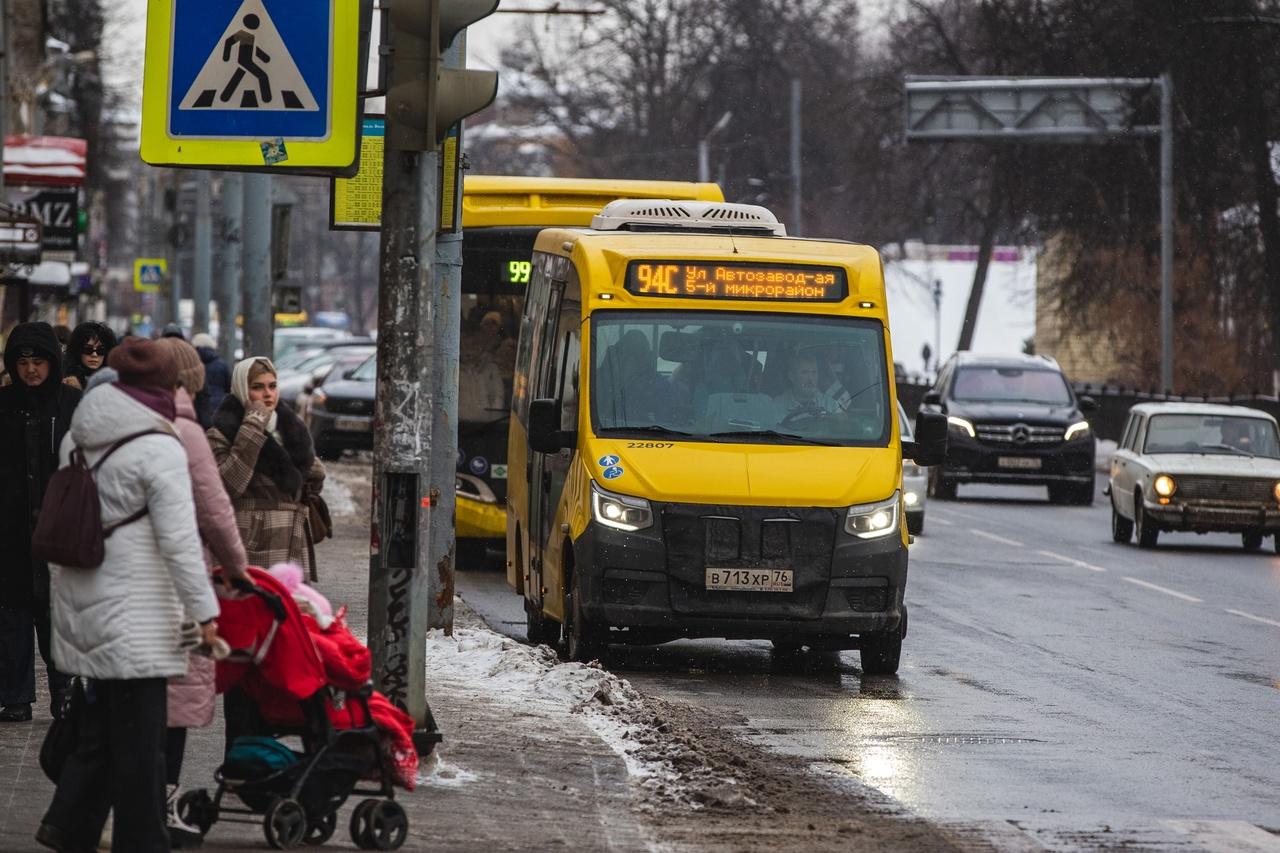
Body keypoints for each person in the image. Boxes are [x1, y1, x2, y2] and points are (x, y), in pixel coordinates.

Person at [37, 338, 219, 853]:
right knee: (142, 744)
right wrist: (205, 612)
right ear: (164, 385)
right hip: (138, 613)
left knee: (101, 725)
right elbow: (181, 542)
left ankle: (68, 823)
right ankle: (143, 841)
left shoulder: (78, 435)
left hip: (83, 600)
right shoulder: (159, 445)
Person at [156, 337, 251, 846]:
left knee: (127, 701)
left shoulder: (110, 419)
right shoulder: (186, 430)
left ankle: (105, 805)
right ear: (191, 379)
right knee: (173, 701)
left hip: (113, 586)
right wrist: (237, 569)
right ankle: (160, 804)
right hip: (176, 582)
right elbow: (216, 511)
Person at [0, 322, 79, 723]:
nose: (31, 370)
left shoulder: (69, 404)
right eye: (23, 362)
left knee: (56, 612)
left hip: (58, 527)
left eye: (39, 361)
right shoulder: (4, 404)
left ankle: (63, 690)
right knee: (12, 612)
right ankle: (14, 695)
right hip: (10, 527)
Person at [208, 357, 325, 576]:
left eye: (272, 386)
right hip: (253, 541)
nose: (268, 394)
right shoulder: (221, 433)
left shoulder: (289, 426)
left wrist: (314, 470)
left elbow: (306, 485)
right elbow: (228, 485)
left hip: (292, 539)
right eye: (257, 387)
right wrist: (252, 424)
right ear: (242, 390)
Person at [772, 350, 841, 426]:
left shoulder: (831, 405)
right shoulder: (777, 405)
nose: (810, 379)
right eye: (804, 372)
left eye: (814, 372)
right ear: (791, 376)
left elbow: (842, 431)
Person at [190, 333, 230, 430]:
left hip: (199, 407)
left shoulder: (193, 364)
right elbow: (228, 386)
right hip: (219, 406)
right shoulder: (222, 364)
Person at [63, 321, 119, 391]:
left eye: (100, 350)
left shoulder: (115, 382)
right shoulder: (64, 381)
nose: (94, 355)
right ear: (77, 350)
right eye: (87, 349)